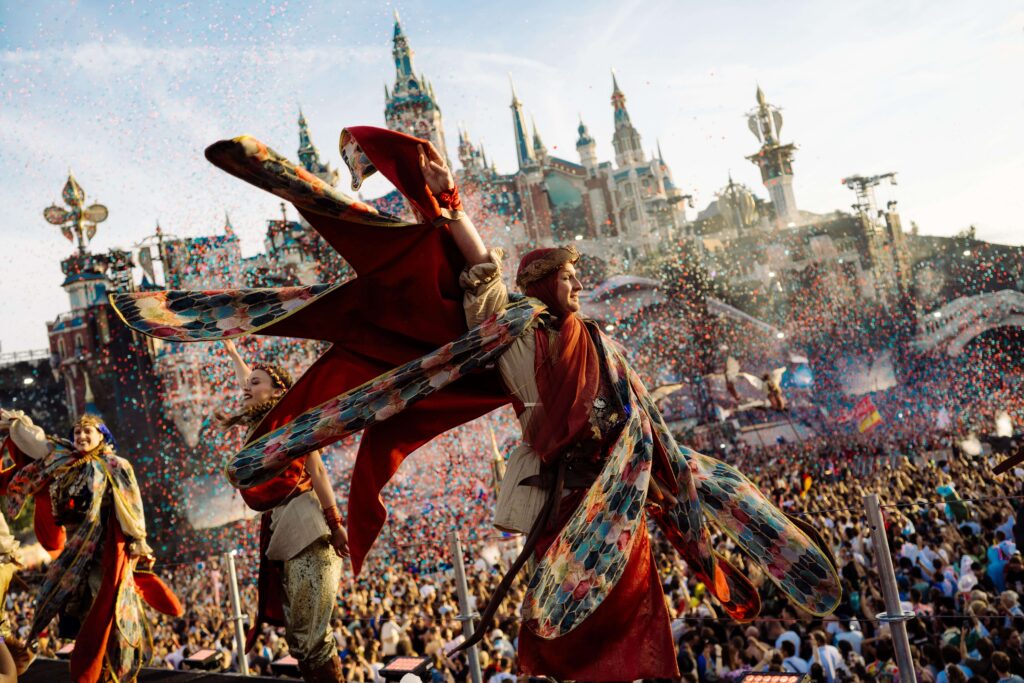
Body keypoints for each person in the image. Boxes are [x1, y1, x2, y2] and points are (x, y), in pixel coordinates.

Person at [414, 141, 840, 679]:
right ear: (544, 282)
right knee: (571, 635)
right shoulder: (518, 341)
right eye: (566, 277)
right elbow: (480, 270)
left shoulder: (599, 343)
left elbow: (639, 424)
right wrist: (449, 201)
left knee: (637, 623)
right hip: (567, 505)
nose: (576, 284)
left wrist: (667, 481)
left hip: (621, 500)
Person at [0, 410, 182, 683]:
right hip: (73, 554)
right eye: (77, 432)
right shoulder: (64, 459)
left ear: (102, 436)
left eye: (88, 432)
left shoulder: (115, 465)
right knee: (75, 611)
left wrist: (138, 542)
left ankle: (106, 673)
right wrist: (15, 423)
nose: (81, 436)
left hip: (102, 552)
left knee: (104, 613)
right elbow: (37, 442)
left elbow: (132, 506)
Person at [218, 340, 349, 682]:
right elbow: (251, 381)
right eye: (246, 385)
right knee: (300, 639)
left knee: (311, 640)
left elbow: (317, 472)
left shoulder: (291, 424)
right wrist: (233, 354)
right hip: (285, 524)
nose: (245, 388)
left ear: (278, 392)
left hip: (306, 525)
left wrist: (336, 524)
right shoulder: (264, 424)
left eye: (255, 384)